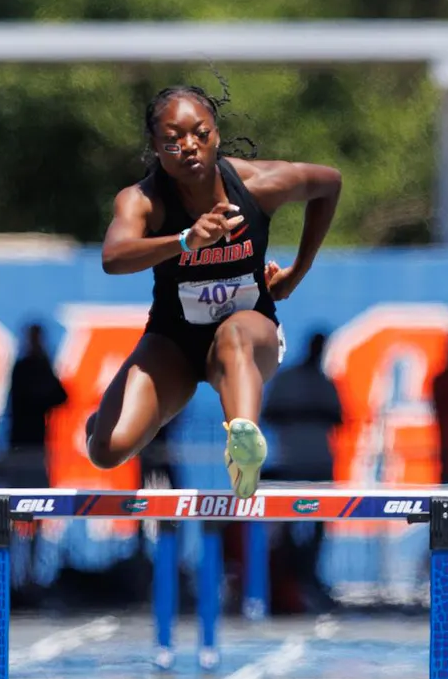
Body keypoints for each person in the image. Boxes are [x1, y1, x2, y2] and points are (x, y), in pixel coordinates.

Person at [87, 82, 342, 498]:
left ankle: (243, 450)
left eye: (200, 134)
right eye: (172, 140)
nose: (188, 146)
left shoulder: (257, 185)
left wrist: (296, 274)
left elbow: (329, 184)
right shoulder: (143, 201)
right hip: (175, 341)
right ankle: (98, 429)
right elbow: (113, 257)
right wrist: (185, 240)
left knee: (235, 333)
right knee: (107, 450)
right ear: (155, 145)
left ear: (216, 135)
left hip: (249, 335)